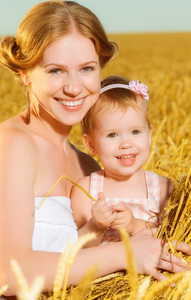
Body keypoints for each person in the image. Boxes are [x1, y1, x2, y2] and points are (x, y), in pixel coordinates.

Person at [0, 1, 191, 298]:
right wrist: (126, 254)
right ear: (25, 73)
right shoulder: (13, 144)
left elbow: (92, 262)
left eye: (86, 68)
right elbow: (14, 275)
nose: (74, 87)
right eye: (56, 71)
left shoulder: (89, 167)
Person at [71, 75, 174, 246]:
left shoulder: (163, 188)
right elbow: (74, 248)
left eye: (135, 132)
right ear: (91, 145)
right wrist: (95, 227)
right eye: (112, 135)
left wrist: (135, 226)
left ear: (149, 135)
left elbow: (172, 237)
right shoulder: (85, 190)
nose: (126, 144)